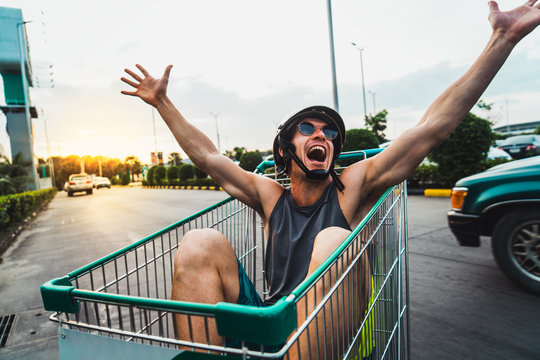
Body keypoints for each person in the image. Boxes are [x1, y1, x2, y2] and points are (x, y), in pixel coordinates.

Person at [121, 1, 540, 357]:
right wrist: (162, 102)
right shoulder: (269, 196)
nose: (323, 135)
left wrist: (501, 41)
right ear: (285, 150)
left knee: (331, 240)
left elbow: (431, 128)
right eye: (309, 129)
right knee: (200, 240)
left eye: (330, 132)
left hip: (333, 331)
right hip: (278, 323)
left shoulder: (354, 185)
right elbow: (210, 156)